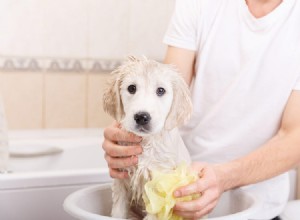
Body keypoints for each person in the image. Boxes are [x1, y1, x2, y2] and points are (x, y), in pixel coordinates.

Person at [102, 0, 300, 219]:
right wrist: (125, 136)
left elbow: (294, 136)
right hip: (178, 187)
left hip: (259, 202)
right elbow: (170, 93)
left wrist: (224, 176)